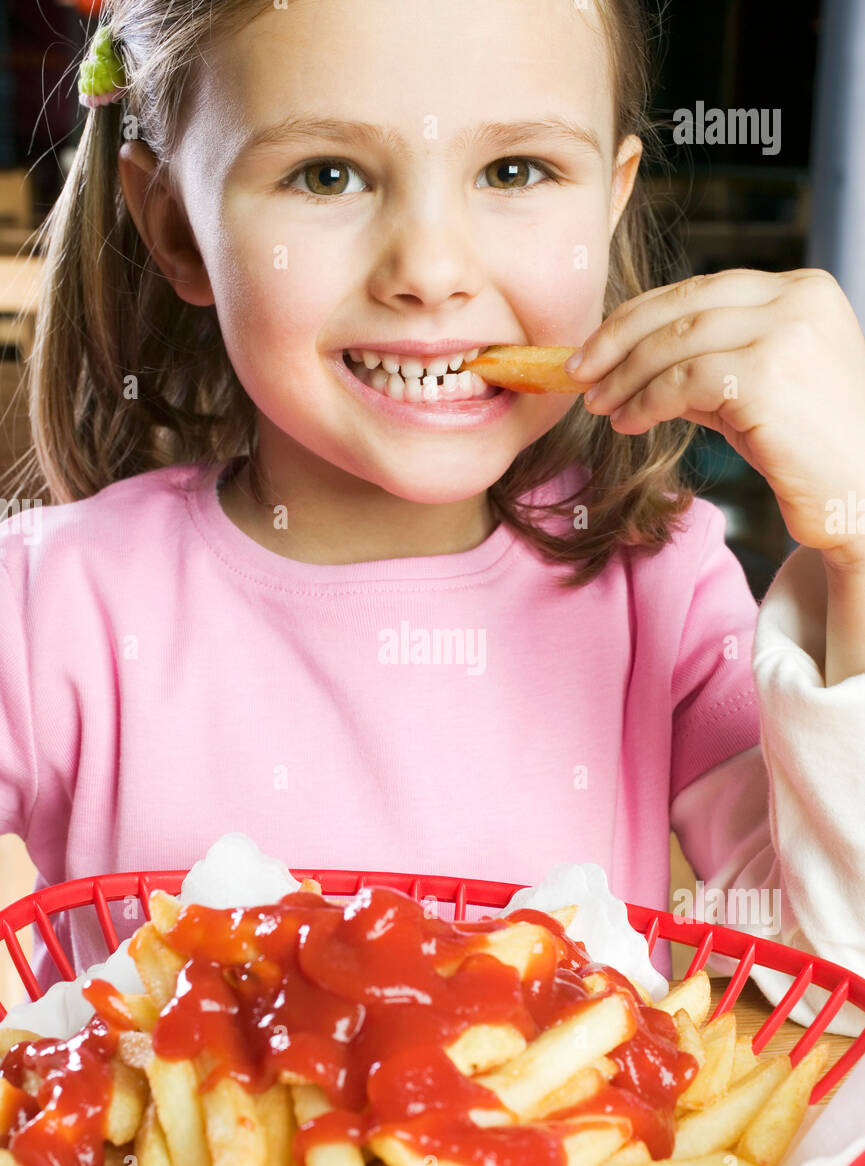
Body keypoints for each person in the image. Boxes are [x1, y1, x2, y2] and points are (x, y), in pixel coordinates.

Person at [2, 1, 864, 1033]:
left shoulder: (662, 586)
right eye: (325, 174)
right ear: (178, 226)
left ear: (608, 203)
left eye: (514, 172)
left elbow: (827, 983)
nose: (430, 271)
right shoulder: (50, 606)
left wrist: (857, 545)